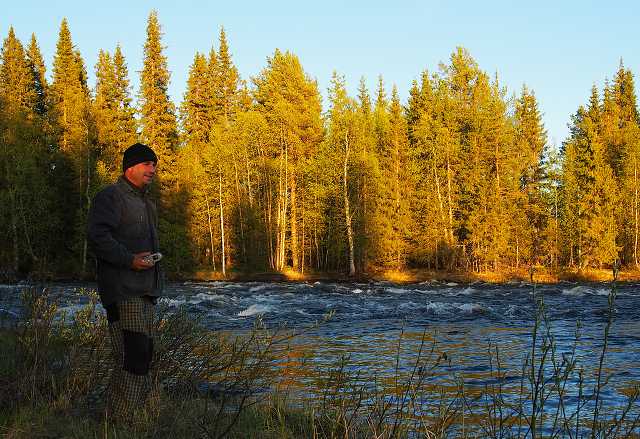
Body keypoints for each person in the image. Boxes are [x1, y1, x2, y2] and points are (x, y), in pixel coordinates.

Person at [87, 142, 163, 419]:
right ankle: (119, 419)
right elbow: (98, 238)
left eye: (154, 165)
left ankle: (135, 414)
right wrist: (130, 259)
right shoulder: (110, 197)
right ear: (130, 166)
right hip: (122, 289)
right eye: (147, 164)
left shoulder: (146, 202)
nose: (152, 170)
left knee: (141, 354)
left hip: (146, 290)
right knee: (135, 354)